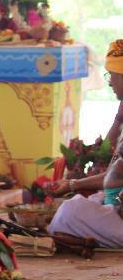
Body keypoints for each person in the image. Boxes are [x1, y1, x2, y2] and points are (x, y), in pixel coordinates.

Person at [47, 39, 123, 248]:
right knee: (74, 206)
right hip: (114, 206)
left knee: (71, 211)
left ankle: (80, 240)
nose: (109, 83)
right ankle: (81, 240)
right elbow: (108, 157)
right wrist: (73, 185)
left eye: (112, 76)